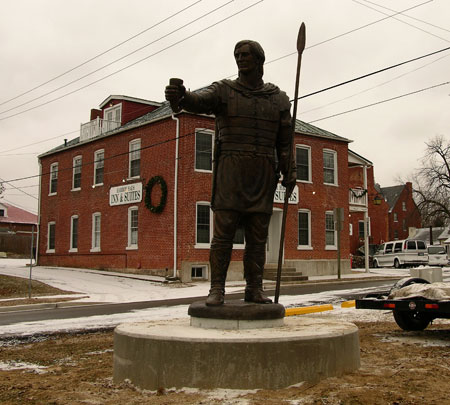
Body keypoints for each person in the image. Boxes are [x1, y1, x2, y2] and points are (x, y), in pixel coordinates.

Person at [165, 40, 296, 306]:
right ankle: (216, 289)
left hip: (262, 172)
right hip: (230, 172)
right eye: (237, 54)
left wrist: (289, 170)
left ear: (259, 60)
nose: (240, 58)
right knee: (222, 235)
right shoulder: (224, 91)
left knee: (257, 238)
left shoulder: (278, 99)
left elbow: (284, 141)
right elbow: (198, 101)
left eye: (246, 54)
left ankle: (254, 288)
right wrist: (180, 96)